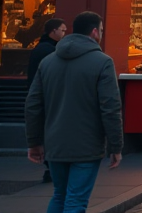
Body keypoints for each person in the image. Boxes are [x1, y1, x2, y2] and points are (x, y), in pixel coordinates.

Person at [25, 11, 123, 213]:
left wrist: (34, 141)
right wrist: (116, 145)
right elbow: (110, 107)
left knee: (59, 195)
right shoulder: (103, 62)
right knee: (76, 201)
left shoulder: (48, 62)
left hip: (55, 142)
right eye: (102, 30)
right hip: (87, 144)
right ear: (95, 32)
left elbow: (33, 104)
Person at [26, 17, 65, 184]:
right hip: (46, 97)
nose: (65, 33)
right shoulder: (48, 51)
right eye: (62, 30)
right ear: (53, 31)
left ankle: (50, 166)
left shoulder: (45, 48)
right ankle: (50, 167)